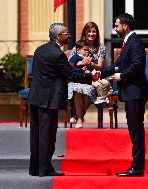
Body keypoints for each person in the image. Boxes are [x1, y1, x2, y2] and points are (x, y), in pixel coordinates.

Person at [28, 23, 100, 177]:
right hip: (49, 99)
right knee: (47, 135)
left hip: (35, 97)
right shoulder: (58, 54)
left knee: (36, 135)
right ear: (58, 36)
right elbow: (71, 75)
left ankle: (35, 168)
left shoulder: (40, 50)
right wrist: (90, 77)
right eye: (66, 34)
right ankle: (45, 168)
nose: (69, 36)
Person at [101, 13, 148, 177]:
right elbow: (117, 65)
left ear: (125, 26)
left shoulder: (134, 42)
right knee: (133, 130)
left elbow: (138, 65)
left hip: (135, 92)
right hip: (131, 93)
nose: (115, 28)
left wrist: (122, 76)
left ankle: (137, 167)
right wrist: (98, 72)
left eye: (116, 25)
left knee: (136, 131)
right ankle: (137, 166)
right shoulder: (127, 42)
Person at [68, 22, 109, 128]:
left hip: (94, 77)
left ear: (97, 33)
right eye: (89, 31)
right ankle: (80, 118)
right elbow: (72, 65)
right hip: (78, 77)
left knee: (87, 90)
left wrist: (90, 64)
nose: (91, 34)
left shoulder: (101, 48)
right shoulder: (77, 47)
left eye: (94, 31)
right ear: (85, 33)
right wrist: (81, 65)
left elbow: (100, 66)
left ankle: (79, 117)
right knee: (77, 89)